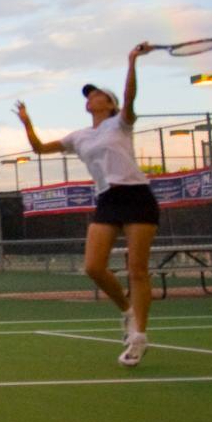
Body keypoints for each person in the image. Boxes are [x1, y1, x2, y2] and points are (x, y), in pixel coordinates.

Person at [16, 44, 160, 367]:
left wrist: (132, 61)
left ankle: (139, 338)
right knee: (94, 267)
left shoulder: (121, 123)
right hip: (108, 199)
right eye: (89, 94)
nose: (91, 96)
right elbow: (39, 148)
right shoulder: (79, 136)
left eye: (98, 94)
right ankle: (127, 312)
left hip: (136, 195)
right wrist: (27, 122)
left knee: (137, 269)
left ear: (110, 103)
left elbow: (131, 95)